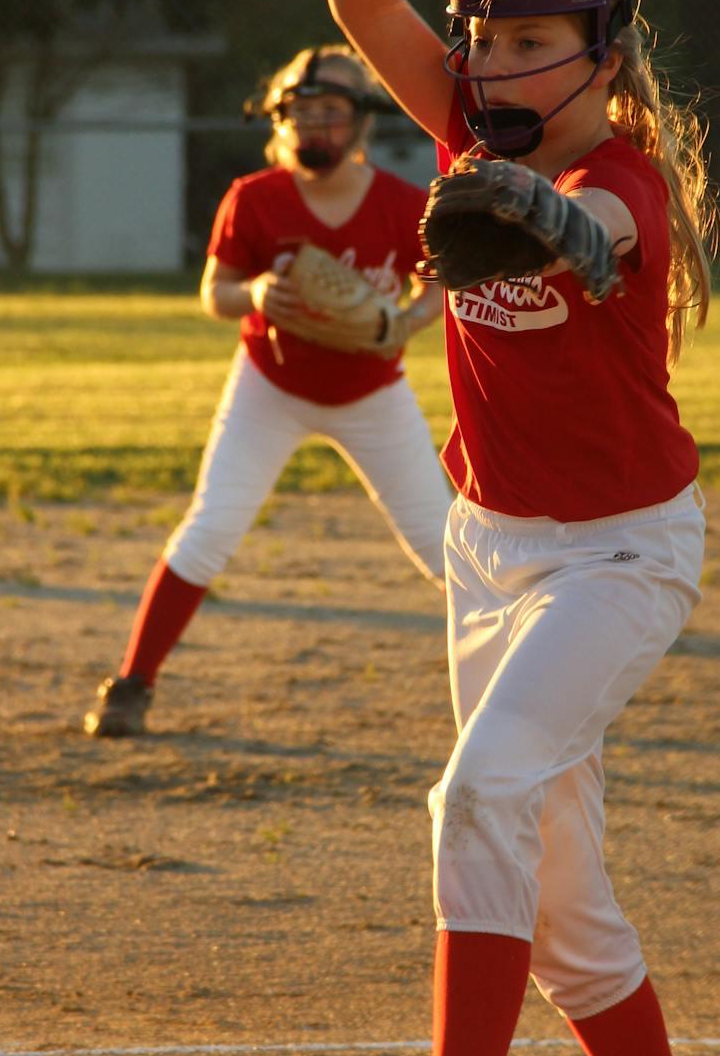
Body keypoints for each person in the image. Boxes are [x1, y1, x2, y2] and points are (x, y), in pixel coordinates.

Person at [325, 0, 720, 1056]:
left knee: (478, 793)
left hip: (622, 553)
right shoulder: (459, 119)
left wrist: (543, 214)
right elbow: (364, 7)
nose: (493, 62)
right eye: (485, 36)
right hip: (490, 551)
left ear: (604, 59)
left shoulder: (616, 174)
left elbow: (605, 234)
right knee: (554, 890)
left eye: (532, 42)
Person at [85, 44, 450, 738]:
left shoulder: (403, 205)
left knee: (442, 545)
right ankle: (133, 682)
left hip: (372, 391)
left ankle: (510, 690)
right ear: (279, 120)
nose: (316, 128)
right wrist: (252, 291)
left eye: (332, 113)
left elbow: (433, 284)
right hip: (270, 385)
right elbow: (213, 294)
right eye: (301, 113)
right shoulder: (255, 198)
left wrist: (409, 320)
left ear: (361, 120)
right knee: (212, 527)